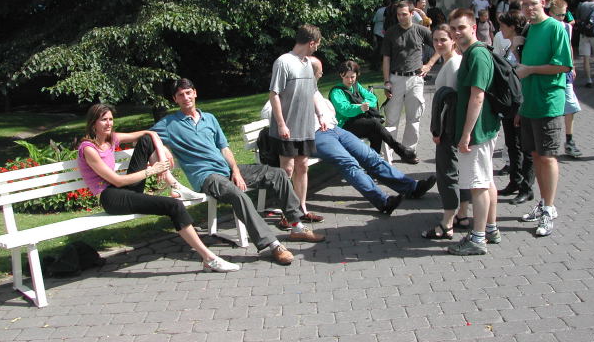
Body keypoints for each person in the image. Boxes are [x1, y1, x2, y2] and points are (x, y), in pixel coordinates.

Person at [152, 78, 326, 266]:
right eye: (180, 95)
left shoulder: (209, 118)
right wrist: (161, 149)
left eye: (188, 93)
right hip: (207, 177)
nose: (186, 98)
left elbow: (224, 148)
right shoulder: (169, 124)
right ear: (175, 99)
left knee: (278, 175)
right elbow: (145, 137)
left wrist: (235, 170)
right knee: (239, 195)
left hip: (226, 170)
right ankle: (273, 244)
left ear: (195, 93)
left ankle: (296, 226)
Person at [77, 104, 240, 273]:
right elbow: (117, 181)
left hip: (125, 190)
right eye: (104, 120)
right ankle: (209, 259)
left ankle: (174, 185)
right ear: (93, 123)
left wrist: (162, 152)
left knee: (146, 141)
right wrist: (152, 170)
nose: (109, 123)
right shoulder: (88, 149)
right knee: (174, 205)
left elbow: (150, 134)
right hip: (111, 196)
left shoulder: (111, 138)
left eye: (111, 119)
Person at [308, 57, 435, 214]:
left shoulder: (314, 88)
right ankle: (383, 201)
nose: (322, 74)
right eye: (319, 71)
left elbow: (368, 98)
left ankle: (412, 188)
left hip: (334, 128)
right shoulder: (295, 89)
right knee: (349, 163)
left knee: (371, 156)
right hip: (317, 134)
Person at [516, 0, 572, 237]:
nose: (529, 8)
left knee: (548, 156)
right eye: (525, 4)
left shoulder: (555, 28)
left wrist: (530, 70)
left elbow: (564, 66)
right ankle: (543, 202)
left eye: (533, 3)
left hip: (548, 102)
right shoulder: (529, 29)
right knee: (536, 155)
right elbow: (521, 66)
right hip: (529, 102)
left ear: (544, 3)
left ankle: (549, 208)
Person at [447, 8, 501, 256]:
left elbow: (477, 97)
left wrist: (466, 134)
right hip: (482, 129)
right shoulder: (472, 53)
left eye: (462, 27)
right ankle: (490, 229)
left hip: (477, 131)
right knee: (486, 180)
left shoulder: (477, 55)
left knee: (477, 184)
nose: (457, 32)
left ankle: (478, 239)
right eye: (453, 28)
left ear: (473, 28)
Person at [269, 24, 325, 222]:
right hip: (287, 128)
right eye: (317, 45)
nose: (317, 48)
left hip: (305, 126)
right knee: (287, 169)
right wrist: (281, 124)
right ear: (311, 43)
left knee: (302, 166)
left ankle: (301, 209)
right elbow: (274, 94)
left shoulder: (308, 63)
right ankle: (288, 214)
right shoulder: (283, 62)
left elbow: (312, 92)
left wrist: (320, 114)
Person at [423, 24, 471, 239]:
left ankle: (447, 223)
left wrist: (438, 131)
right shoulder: (450, 62)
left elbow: (450, 104)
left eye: (443, 39)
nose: (439, 44)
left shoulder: (453, 64)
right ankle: (462, 215)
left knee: (448, 174)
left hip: (449, 130)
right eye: (435, 40)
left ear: (453, 40)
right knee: (460, 171)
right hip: (452, 128)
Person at [382, 1, 439, 163]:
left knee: (414, 118)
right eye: (398, 14)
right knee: (391, 119)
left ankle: (408, 152)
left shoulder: (421, 30)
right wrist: (386, 81)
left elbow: (440, 46)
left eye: (404, 14)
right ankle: (387, 156)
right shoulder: (391, 32)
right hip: (395, 78)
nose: (401, 17)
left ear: (412, 14)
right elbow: (386, 59)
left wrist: (429, 65)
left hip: (415, 79)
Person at [328, 60, 417, 163]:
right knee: (374, 124)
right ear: (341, 75)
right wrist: (360, 107)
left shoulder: (356, 86)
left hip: (359, 122)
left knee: (376, 133)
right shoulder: (337, 91)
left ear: (357, 75)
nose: (350, 80)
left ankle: (374, 163)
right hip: (344, 126)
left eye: (352, 77)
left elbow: (372, 98)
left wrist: (365, 103)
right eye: (346, 77)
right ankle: (400, 150)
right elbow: (345, 109)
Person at [495, 10, 536, 204]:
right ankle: (515, 181)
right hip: (508, 103)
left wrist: (516, 49)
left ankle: (527, 187)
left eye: (503, 25)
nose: (500, 29)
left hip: (520, 103)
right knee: (512, 145)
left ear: (512, 27)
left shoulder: (522, 45)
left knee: (524, 146)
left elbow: (521, 72)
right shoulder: (510, 45)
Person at [550, 0, 583, 158]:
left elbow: (569, 46)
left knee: (571, 105)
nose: (561, 18)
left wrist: (573, 66)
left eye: (563, 15)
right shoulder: (546, 28)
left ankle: (569, 141)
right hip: (550, 71)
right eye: (558, 15)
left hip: (565, 72)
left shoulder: (567, 27)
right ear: (551, 14)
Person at [371, 0, 391, 70]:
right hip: (384, 30)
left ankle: (376, 64)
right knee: (383, 49)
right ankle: (379, 65)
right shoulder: (389, 9)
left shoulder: (379, 10)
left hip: (377, 30)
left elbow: (374, 20)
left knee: (378, 48)